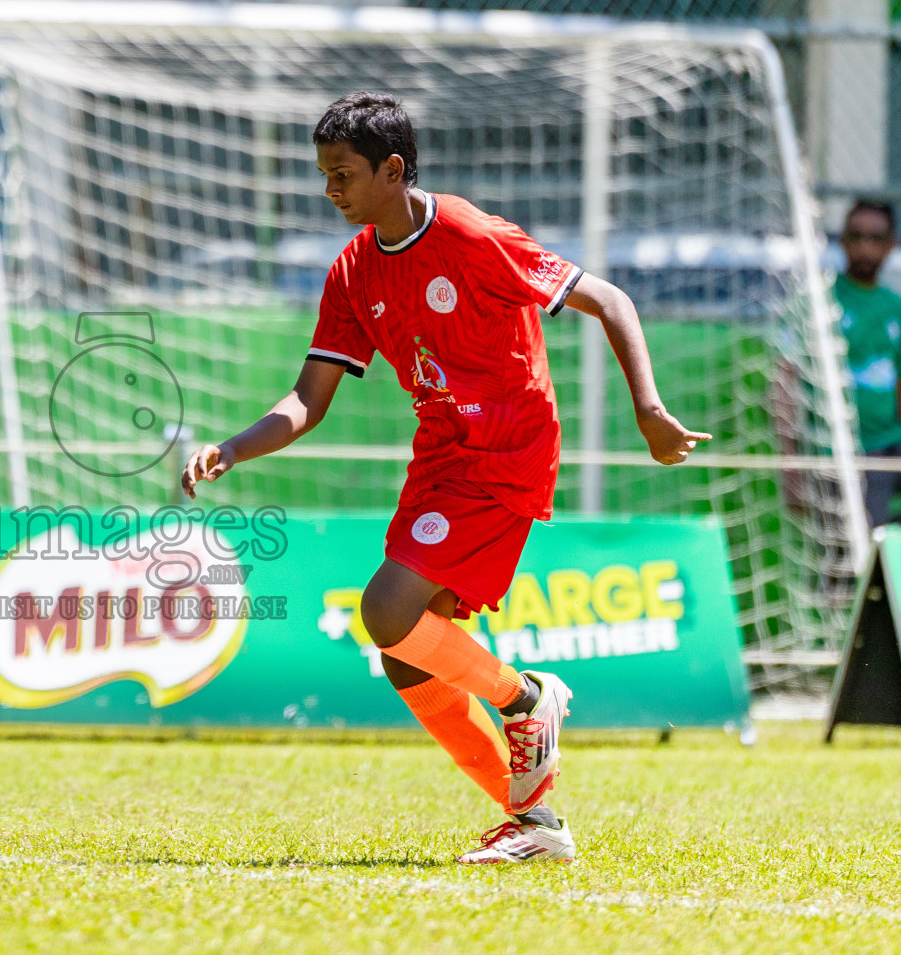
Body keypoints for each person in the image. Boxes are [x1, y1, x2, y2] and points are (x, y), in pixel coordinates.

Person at [181, 91, 709, 865]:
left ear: (393, 171)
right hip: (440, 456)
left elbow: (609, 298)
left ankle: (525, 698)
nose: (330, 190)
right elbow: (307, 400)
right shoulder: (353, 270)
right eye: (324, 174)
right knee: (406, 654)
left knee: (385, 608)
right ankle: (534, 823)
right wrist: (232, 448)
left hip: (507, 451)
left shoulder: (471, 235)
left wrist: (650, 409)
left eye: (343, 174)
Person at [833, 200, 901, 528]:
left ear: (891, 245)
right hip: (837, 451)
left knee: (883, 541)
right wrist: (791, 465)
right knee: (854, 544)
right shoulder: (821, 302)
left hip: (888, 447)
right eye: (856, 236)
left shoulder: (894, 305)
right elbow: (784, 383)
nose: (864, 247)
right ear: (842, 241)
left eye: (875, 238)